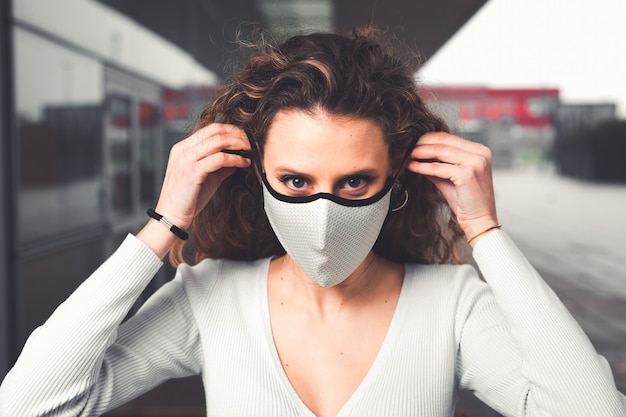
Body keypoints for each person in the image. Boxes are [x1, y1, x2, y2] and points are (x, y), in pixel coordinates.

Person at [0, 26, 624, 417]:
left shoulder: (453, 305)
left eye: (354, 181)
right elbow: (30, 405)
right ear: (257, 175)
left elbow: (589, 410)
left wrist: (485, 232)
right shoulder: (210, 298)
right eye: (297, 182)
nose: (323, 215)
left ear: (394, 180)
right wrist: (165, 223)